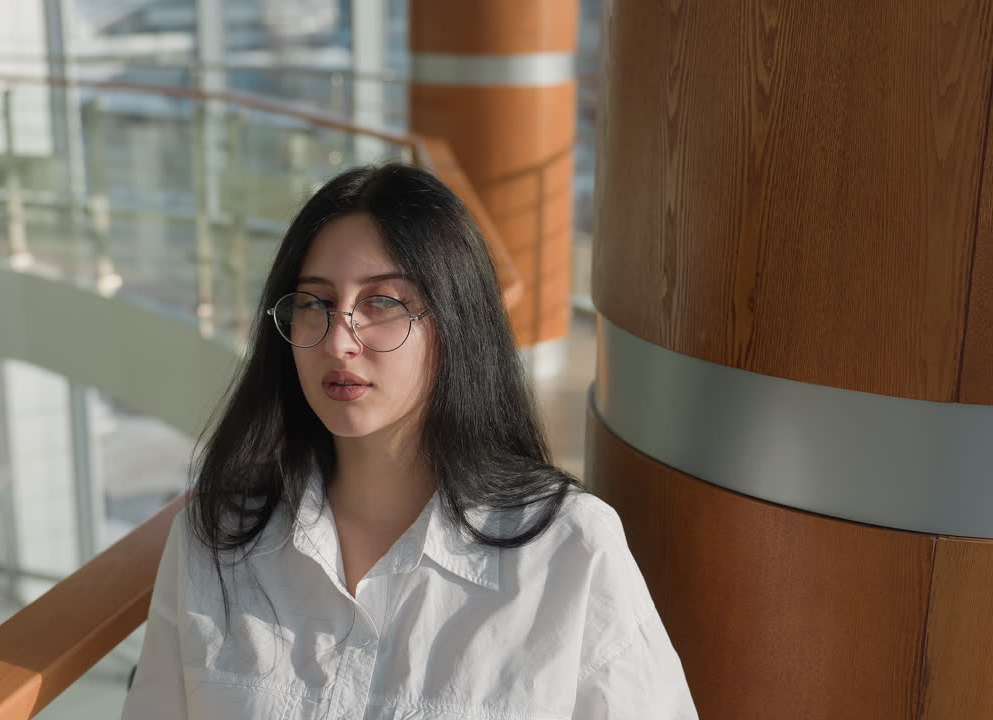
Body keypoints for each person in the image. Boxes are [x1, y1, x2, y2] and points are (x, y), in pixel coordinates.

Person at [121, 163, 697, 719]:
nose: (339, 341)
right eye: (315, 302)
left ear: (454, 324)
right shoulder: (214, 540)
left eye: (381, 303)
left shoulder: (569, 550)